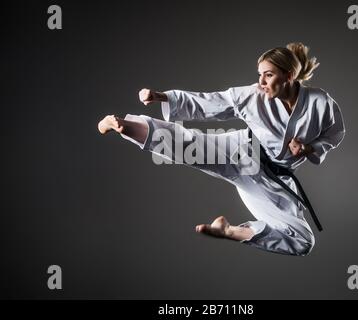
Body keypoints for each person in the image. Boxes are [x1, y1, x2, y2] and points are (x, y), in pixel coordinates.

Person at [97, 42, 345, 256]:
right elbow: (210, 102)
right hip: (243, 152)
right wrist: (162, 97)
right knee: (188, 146)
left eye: (268, 75)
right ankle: (123, 125)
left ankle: (229, 231)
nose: (261, 82)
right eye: (259, 75)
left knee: (303, 241)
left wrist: (310, 149)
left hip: (272, 181)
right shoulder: (251, 95)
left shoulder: (321, 103)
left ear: (289, 75)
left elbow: (334, 134)